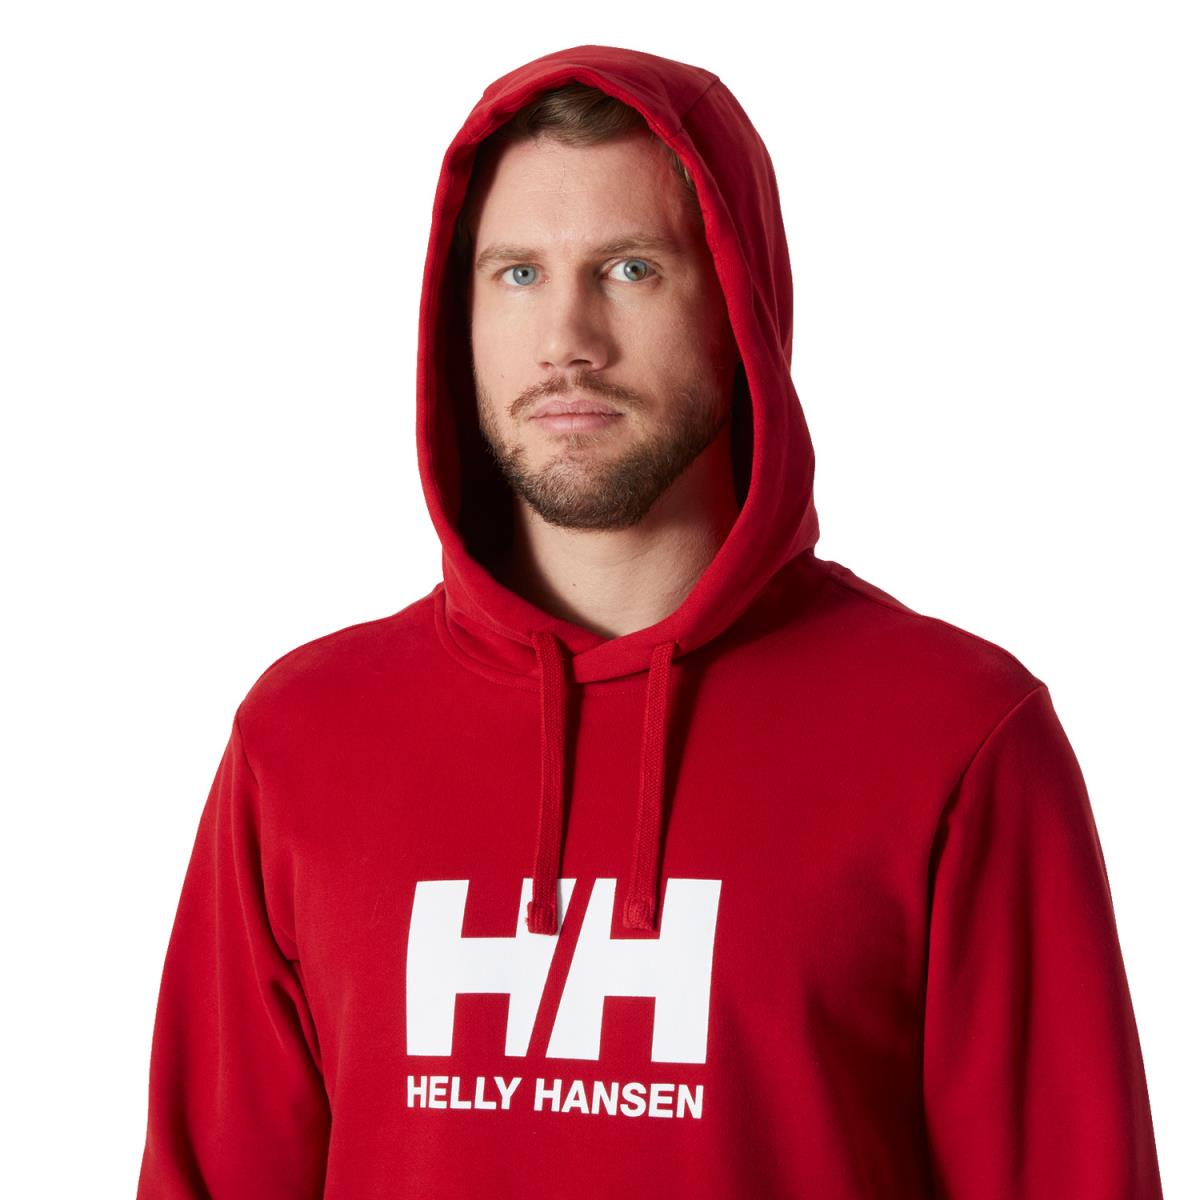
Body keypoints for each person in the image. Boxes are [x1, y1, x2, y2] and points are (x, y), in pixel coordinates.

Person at [135, 44, 1164, 1198]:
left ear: (739, 304)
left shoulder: (955, 738)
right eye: (517, 273)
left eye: (629, 268)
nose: (567, 336)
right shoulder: (304, 741)